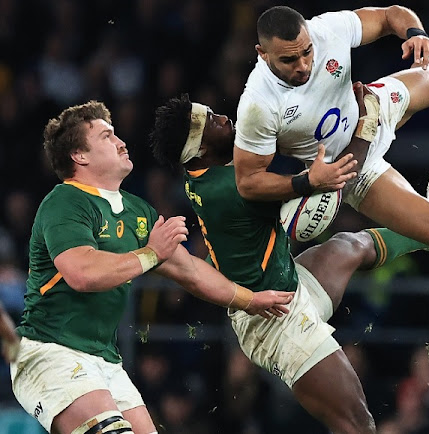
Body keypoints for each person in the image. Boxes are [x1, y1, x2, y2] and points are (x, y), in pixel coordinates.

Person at [232, 5, 429, 360]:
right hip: (352, 170)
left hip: (371, 106)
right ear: (262, 54)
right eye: (289, 60)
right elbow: (248, 182)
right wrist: (306, 181)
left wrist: (416, 35)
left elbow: (390, 15)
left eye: (307, 52)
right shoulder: (257, 105)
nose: (304, 65)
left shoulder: (326, 30)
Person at [149, 87, 429, 433]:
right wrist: (365, 124)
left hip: (287, 288)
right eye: (211, 119)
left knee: (351, 245)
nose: (223, 118)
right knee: (359, 424)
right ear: (200, 147)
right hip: (277, 324)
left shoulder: (201, 175)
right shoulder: (232, 188)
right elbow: (335, 182)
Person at [11, 101, 295, 434]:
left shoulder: (136, 211)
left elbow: (188, 270)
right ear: (80, 156)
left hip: (104, 360)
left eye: (115, 134)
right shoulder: (65, 201)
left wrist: (250, 299)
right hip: (50, 353)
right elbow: (82, 273)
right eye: (106, 136)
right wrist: (149, 253)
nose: (120, 142)